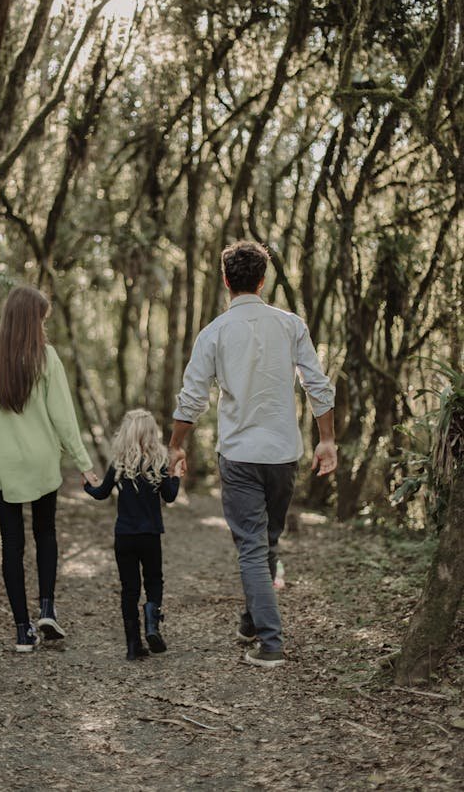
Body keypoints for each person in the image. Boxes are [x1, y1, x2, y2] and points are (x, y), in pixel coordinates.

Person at [168, 240, 337, 668]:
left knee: (252, 547)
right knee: (265, 541)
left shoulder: (215, 333)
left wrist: (176, 445)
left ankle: (271, 642)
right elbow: (317, 385)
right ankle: (250, 620)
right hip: (283, 453)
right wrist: (327, 439)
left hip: (241, 455)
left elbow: (192, 399)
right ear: (263, 280)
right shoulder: (290, 324)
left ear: (226, 280)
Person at [0, 286, 98, 653]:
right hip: (42, 462)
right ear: (32, 320)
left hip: (2, 465)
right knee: (46, 532)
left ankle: (23, 630)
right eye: (42, 320)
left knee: (12, 544)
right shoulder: (46, 358)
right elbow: (64, 419)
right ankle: (47, 608)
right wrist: (84, 464)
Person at [84, 409, 183, 661]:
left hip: (124, 536)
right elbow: (170, 496)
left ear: (125, 433)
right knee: (154, 580)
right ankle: (152, 623)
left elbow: (101, 494)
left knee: (129, 588)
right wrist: (177, 474)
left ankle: (132, 646)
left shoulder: (118, 464)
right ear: (152, 434)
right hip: (150, 535)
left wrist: (87, 484)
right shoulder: (159, 463)